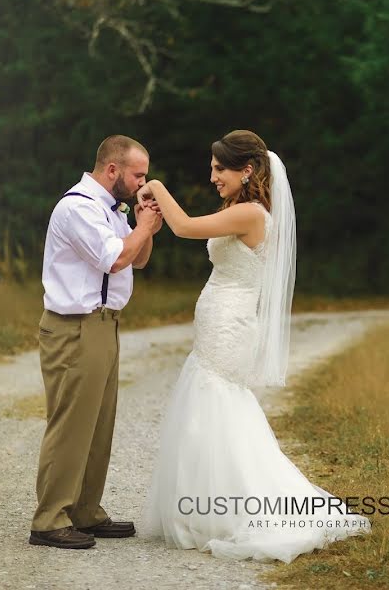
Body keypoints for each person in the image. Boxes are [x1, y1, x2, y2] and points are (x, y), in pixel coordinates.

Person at [138, 130, 369, 563]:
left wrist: (157, 187)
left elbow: (185, 227)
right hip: (219, 322)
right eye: (211, 168)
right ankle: (205, 505)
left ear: (247, 170)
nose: (212, 177)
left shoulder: (251, 214)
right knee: (210, 406)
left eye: (219, 168)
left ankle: (226, 507)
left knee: (219, 403)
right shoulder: (241, 210)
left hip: (230, 326)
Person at [29, 135, 164, 549]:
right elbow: (115, 258)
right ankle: (49, 519)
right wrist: (140, 228)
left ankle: (85, 511)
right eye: (138, 174)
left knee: (98, 426)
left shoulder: (111, 209)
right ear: (112, 170)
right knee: (71, 425)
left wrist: (145, 225)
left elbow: (137, 257)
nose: (144, 181)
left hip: (105, 326)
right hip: (74, 327)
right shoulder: (78, 208)